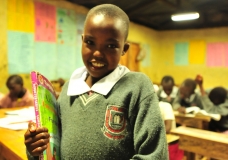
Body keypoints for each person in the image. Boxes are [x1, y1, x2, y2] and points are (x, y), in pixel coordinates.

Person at [24, 4, 168, 160]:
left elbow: (155, 155)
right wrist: (36, 149)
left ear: (124, 49)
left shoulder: (137, 87)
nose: (98, 53)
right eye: (90, 42)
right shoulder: (69, 88)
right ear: (82, 40)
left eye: (111, 46)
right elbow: (54, 149)